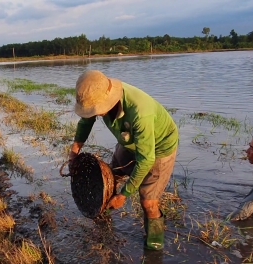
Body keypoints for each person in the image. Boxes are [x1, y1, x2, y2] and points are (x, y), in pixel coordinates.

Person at [68, 70, 178, 250]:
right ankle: (103, 214)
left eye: (97, 109)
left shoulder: (140, 112)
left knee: (148, 203)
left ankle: (154, 248)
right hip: (128, 141)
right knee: (110, 179)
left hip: (158, 149)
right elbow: (86, 122)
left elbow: (146, 159)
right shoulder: (98, 93)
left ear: (110, 98)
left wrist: (123, 195)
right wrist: (74, 152)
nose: (96, 114)